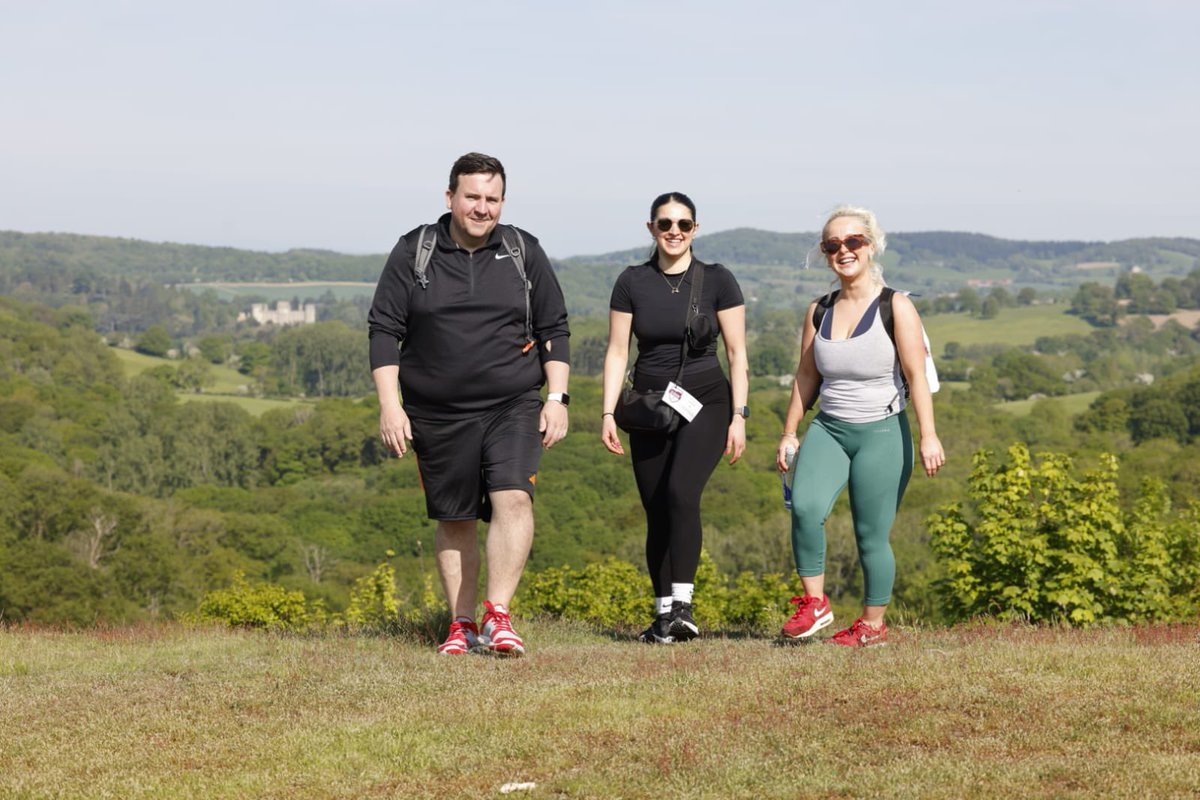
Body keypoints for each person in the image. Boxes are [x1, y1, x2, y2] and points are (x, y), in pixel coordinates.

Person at [368, 152, 570, 657]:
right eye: (473, 197)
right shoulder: (415, 250)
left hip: (513, 402)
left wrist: (558, 397)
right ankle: (460, 625)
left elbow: (555, 328)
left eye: (493, 198)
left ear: (503, 201)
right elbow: (384, 330)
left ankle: (497, 615)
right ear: (450, 198)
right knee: (455, 518)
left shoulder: (524, 250)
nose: (483, 208)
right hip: (436, 411)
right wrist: (390, 407)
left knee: (513, 498)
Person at [776, 205, 944, 647]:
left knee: (871, 534)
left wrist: (928, 435)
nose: (843, 251)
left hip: (883, 433)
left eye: (853, 242)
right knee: (807, 508)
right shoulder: (819, 310)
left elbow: (916, 377)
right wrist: (790, 431)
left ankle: (872, 625)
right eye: (833, 245)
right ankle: (815, 604)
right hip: (830, 428)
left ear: (870, 246)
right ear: (825, 253)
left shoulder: (896, 306)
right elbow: (806, 376)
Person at [600, 192, 748, 644]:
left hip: (706, 399)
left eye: (684, 224)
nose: (674, 232)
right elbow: (617, 350)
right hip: (649, 404)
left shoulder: (718, 280)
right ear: (651, 228)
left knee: (682, 493)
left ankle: (683, 605)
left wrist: (740, 415)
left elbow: (738, 353)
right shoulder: (632, 282)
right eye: (665, 224)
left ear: (695, 230)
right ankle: (664, 616)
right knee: (656, 507)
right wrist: (607, 411)